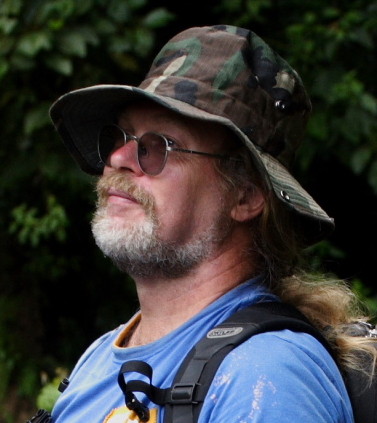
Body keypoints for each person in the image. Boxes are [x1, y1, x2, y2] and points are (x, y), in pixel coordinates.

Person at [48, 25, 375, 423]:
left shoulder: (265, 374)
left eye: (158, 145)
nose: (119, 158)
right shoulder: (101, 355)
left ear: (246, 195)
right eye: (120, 137)